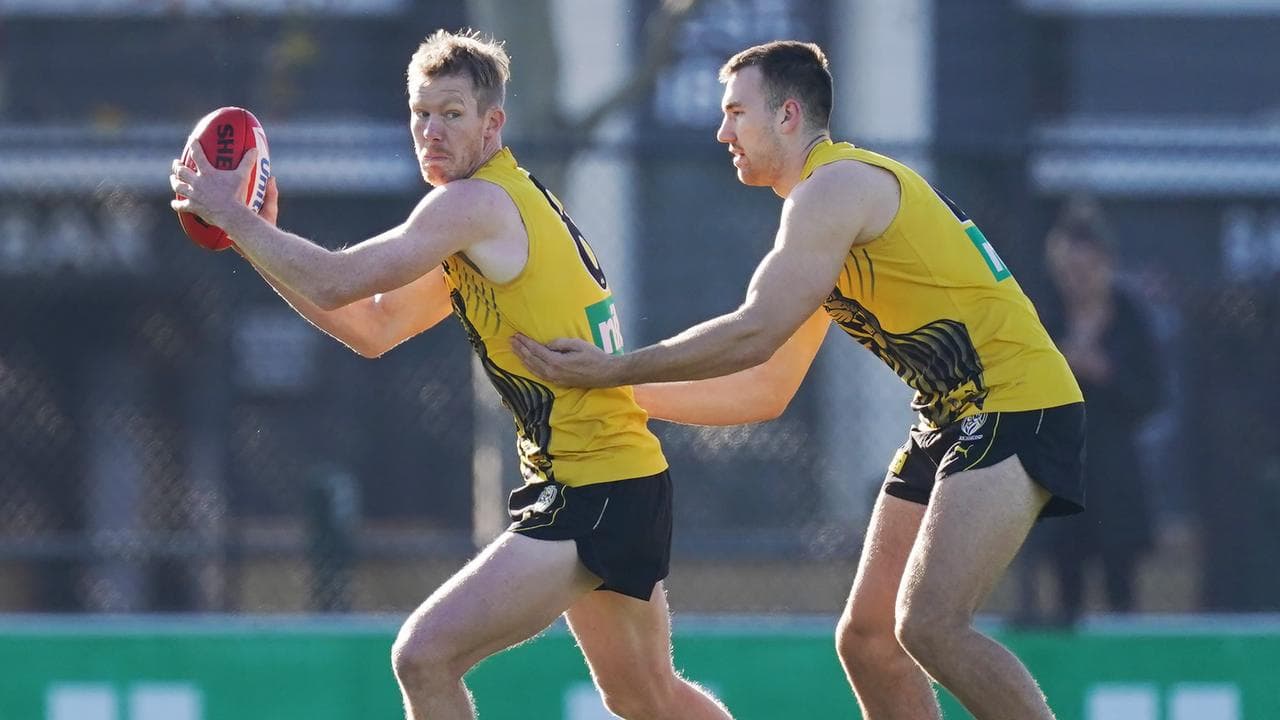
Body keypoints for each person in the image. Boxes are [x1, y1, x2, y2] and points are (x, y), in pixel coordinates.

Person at [511, 41, 1086, 720]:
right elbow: (764, 387)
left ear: (787, 115)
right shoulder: (824, 209)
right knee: (869, 641)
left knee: (930, 626)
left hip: (1018, 405)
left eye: (735, 113)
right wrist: (613, 393)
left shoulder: (835, 189)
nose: (722, 131)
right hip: (953, 416)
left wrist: (618, 366)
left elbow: (755, 329)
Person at [170, 29, 732, 720]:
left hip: (596, 488)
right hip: (619, 479)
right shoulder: (489, 213)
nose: (430, 131)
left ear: (492, 124)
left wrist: (234, 217)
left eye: (452, 114)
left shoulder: (471, 207)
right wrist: (257, 240)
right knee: (647, 699)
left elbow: (339, 279)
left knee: (424, 656)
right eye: (420, 113)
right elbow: (374, 326)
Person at [1019, 199, 1161, 625]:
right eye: (1067, 271)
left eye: (1085, 270)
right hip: (1059, 467)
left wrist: (1104, 373)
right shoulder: (1042, 313)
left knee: (1121, 585)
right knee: (1066, 583)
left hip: (1114, 469)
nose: (1076, 281)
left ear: (1105, 263)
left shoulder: (1130, 317)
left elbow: (1152, 395)